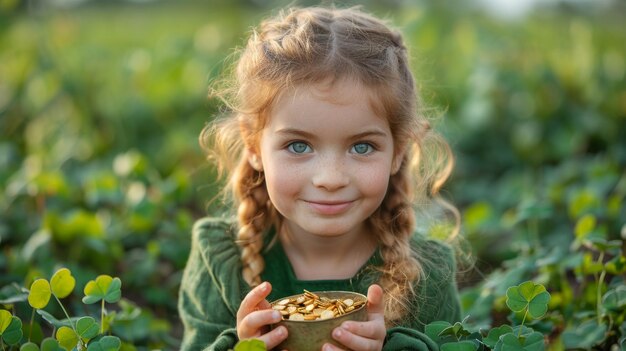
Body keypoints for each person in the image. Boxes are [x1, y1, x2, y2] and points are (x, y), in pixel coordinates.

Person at [178, 5, 463, 351]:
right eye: (298, 145)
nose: (330, 179)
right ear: (253, 144)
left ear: (399, 150)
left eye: (361, 147)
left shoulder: (427, 273)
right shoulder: (219, 258)